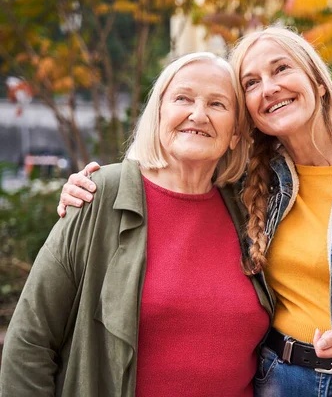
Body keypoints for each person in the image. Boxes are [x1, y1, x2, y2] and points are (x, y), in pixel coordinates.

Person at [56, 27, 332, 397]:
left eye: (281, 69)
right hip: (280, 380)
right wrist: (95, 187)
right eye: (250, 83)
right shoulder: (248, 182)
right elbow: (171, 175)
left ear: (318, 82)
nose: (269, 88)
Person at [0, 52, 272, 397]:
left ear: (235, 133)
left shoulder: (249, 209)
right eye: (183, 98)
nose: (198, 114)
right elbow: (29, 342)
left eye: (217, 104)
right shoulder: (98, 197)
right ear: (159, 114)